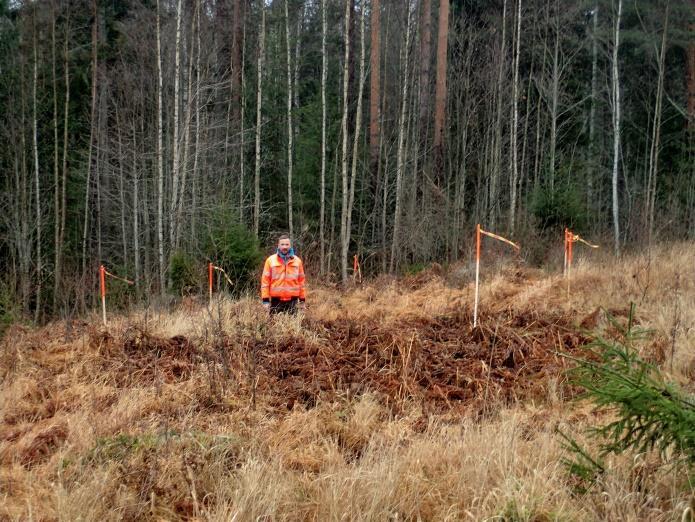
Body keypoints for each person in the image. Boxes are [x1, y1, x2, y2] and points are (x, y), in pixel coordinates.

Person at [260, 234, 306, 315]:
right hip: (275, 301)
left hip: (293, 301)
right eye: (282, 244)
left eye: (287, 244)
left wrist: (302, 300)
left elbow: (301, 282)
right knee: (274, 326)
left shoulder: (297, 261)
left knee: (293, 326)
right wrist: (265, 300)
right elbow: (265, 282)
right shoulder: (270, 261)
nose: (284, 247)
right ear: (278, 245)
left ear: (290, 245)